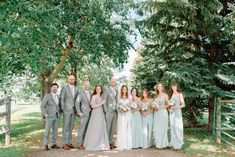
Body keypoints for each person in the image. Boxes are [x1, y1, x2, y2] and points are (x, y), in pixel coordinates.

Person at [83, 85, 110, 151]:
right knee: (95, 128)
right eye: (97, 89)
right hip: (95, 113)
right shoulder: (94, 96)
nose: (98, 90)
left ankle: (101, 143)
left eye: (99, 88)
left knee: (101, 128)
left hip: (101, 113)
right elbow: (92, 106)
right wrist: (101, 103)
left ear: (101, 89)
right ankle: (93, 143)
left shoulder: (102, 96)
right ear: (95, 89)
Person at [60, 74, 78, 150]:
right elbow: (62, 98)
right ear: (68, 79)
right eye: (70, 79)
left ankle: (69, 142)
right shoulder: (64, 88)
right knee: (65, 127)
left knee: (71, 127)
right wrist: (63, 109)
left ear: (74, 80)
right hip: (66, 110)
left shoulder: (76, 89)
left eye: (73, 79)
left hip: (73, 111)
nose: (72, 80)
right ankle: (64, 143)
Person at [41, 83, 60, 151]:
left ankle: (54, 144)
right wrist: (45, 114)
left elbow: (57, 106)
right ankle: (46, 144)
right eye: (53, 87)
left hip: (56, 116)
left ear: (57, 88)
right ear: (51, 88)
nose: (55, 88)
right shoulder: (47, 96)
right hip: (49, 116)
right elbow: (42, 106)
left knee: (55, 131)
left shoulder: (58, 96)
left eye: (56, 87)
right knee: (47, 131)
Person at [75, 80, 92, 150]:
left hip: (91, 113)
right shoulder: (80, 93)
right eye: (85, 85)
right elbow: (77, 103)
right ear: (83, 86)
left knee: (87, 129)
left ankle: (85, 142)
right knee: (82, 128)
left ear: (89, 86)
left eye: (88, 85)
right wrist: (79, 112)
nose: (86, 86)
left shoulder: (91, 93)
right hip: (84, 114)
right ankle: (79, 143)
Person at [168, 83, 185, 149]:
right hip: (172, 113)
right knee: (173, 128)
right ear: (171, 87)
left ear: (177, 87)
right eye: (172, 86)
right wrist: (169, 109)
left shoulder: (180, 94)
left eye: (175, 86)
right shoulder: (170, 95)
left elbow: (183, 105)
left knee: (178, 127)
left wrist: (175, 108)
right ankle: (173, 144)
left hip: (177, 112)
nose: (173, 87)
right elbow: (169, 105)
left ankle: (178, 144)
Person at [152, 83, 169, 149]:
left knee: (163, 128)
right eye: (158, 86)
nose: (159, 87)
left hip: (163, 113)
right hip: (157, 113)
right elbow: (153, 105)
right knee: (157, 128)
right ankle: (158, 144)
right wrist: (154, 106)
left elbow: (168, 105)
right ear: (157, 88)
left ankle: (163, 144)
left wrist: (161, 107)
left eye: (160, 86)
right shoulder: (155, 95)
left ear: (162, 87)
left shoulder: (165, 95)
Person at [116, 85, 132, 150]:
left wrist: (127, 108)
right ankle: (121, 144)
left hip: (128, 114)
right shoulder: (119, 98)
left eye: (125, 89)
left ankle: (127, 144)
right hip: (121, 115)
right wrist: (121, 109)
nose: (124, 90)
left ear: (127, 90)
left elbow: (130, 106)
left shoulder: (129, 98)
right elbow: (117, 106)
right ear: (121, 90)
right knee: (121, 128)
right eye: (123, 89)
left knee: (127, 128)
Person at [103, 78, 118, 149]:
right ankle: (105, 143)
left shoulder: (117, 91)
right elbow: (104, 101)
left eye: (114, 81)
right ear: (110, 82)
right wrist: (106, 111)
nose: (113, 82)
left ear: (115, 83)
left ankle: (110, 142)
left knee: (112, 128)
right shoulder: (107, 90)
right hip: (109, 112)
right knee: (107, 127)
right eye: (112, 81)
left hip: (116, 112)